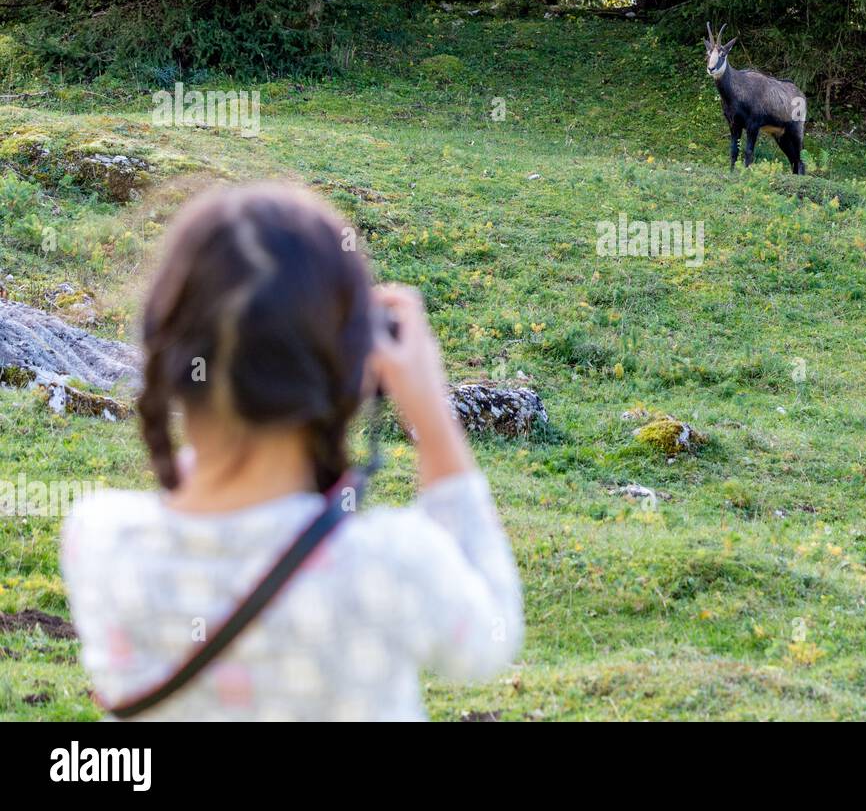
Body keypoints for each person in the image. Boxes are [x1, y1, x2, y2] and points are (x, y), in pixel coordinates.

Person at [61, 183, 523, 720]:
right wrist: (432, 416)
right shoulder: (388, 563)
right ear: (357, 371)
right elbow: (490, 639)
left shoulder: (99, 539)